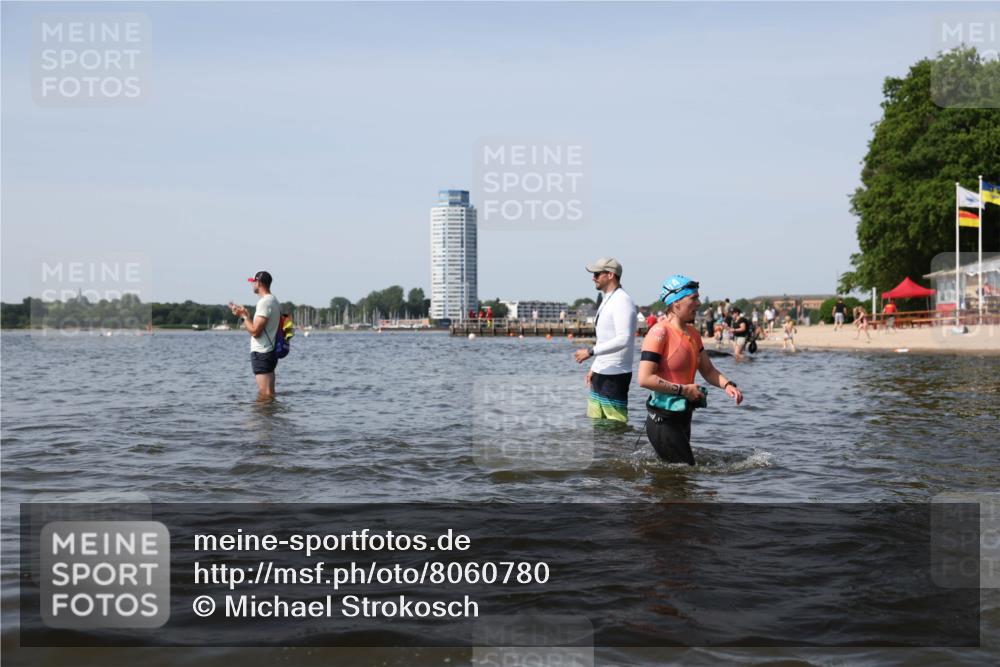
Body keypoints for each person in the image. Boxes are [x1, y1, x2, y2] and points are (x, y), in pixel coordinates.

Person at [638, 275, 744, 464]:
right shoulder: (659, 332)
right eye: (693, 298)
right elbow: (645, 378)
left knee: (680, 480)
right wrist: (684, 390)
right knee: (683, 477)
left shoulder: (693, 333)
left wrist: (727, 385)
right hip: (663, 419)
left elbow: (708, 370)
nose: (699, 303)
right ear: (676, 303)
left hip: (683, 416)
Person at [574, 257, 637, 423]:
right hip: (601, 372)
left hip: (616, 375)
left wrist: (590, 352)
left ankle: (617, 450)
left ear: (610, 275)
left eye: (597, 274)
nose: (593, 277)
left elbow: (624, 339)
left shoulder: (622, 300)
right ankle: (601, 451)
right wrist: (595, 367)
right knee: (597, 425)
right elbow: (604, 339)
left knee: (614, 426)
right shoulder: (607, 299)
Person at [229, 270, 281, 399]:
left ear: (259, 282)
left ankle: (263, 418)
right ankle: (270, 418)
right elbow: (261, 328)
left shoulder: (264, 303)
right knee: (269, 394)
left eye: (253, 282)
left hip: (262, 352)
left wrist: (242, 317)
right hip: (270, 351)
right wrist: (246, 316)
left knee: (265, 395)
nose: (252, 285)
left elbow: (255, 332)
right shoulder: (274, 301)